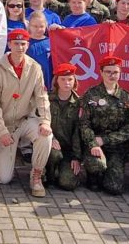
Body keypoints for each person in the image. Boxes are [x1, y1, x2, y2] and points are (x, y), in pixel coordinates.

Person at [0, 28, 52, 197]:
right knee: (4, 178)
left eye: (23, 44)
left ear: (28, 45)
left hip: (25, 120)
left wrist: (45, 121)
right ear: (9, 44)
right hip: (4, 126)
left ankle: (37, 174)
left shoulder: (34, 68)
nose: (19, 47)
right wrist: (1, 131)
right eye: (16, 43)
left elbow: (42, 96)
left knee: (45, 135)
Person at [79, 55, 129, 195]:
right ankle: (93, 176)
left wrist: (106, 139)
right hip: (94, 144)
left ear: (120, 73)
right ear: (101, 72)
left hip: (116, 147)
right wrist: (93, 142)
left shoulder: (126, 97)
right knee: (96, 167)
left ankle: (108, 172)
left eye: (115, 72)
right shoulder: (91, 95)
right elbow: (83, 123)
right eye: (108, 72)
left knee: (114, 188)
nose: (112, 75)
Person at [46, 63, 83, 191]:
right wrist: (51, 138)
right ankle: (49, 173)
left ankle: (63, 171)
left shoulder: (80, 104)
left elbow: (79, 132)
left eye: (70, 79)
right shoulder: (47, 100)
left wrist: (76, 157)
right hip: (50, 147)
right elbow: (39, 121)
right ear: (56, 81)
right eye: (63, 79)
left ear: (74, 81)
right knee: (54, 155)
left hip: (68, 151)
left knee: (67, 184)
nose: (67, 83)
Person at [27, 11, 53, 90]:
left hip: (49, 83)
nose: (38, 29)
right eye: (35, 26)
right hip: (31, 85)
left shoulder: (51, 42)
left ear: (46, 26)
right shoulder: (25, 43)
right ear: (29, 26)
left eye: (41, 26)